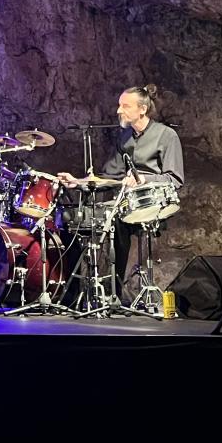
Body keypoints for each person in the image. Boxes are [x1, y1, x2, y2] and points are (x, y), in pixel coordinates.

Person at [58, 84, 184, 293]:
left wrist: (143, 179)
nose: (119, 110)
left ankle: (113, 293)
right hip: (124, 201)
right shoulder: (124, 137)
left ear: (142, 109)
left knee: (116, 220)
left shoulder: (166, 135)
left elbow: (175, 179)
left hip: (152, 204)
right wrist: (78, 182)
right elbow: (110, 177)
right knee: (70, 218)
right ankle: (73, 294)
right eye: (119, 105)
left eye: (125, 106)